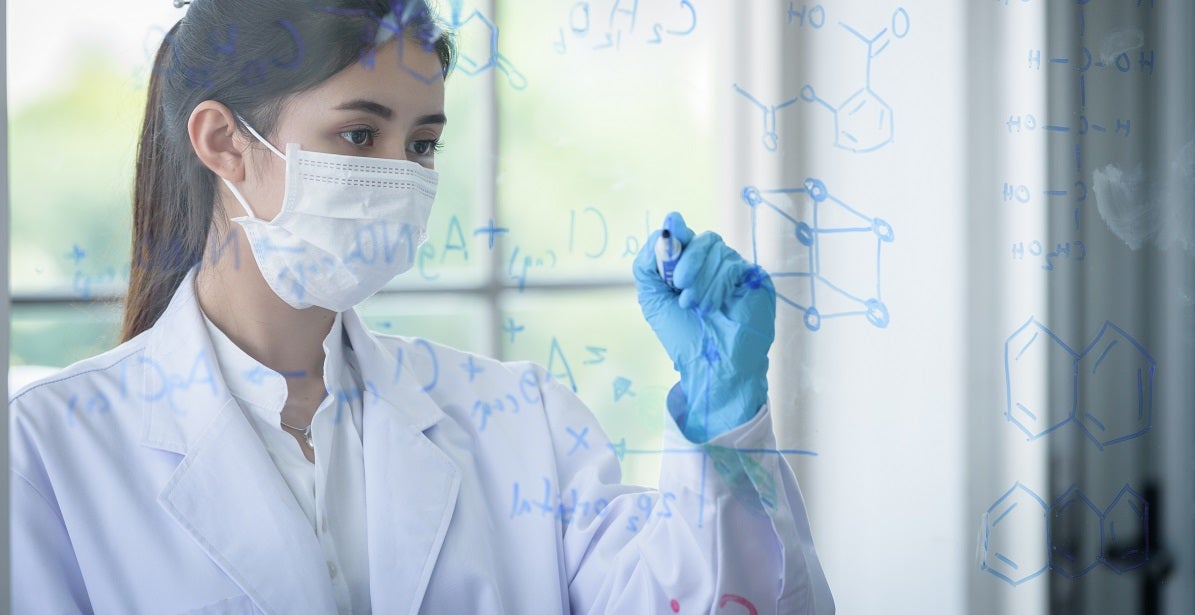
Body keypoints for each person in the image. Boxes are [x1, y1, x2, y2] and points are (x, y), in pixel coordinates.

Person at [8, 1, 833, 612]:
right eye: (361, 137)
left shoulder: (519, 420)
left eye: (423, 143)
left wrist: (725, 424)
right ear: (224, 143)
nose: (402, 175)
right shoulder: (49, 449)